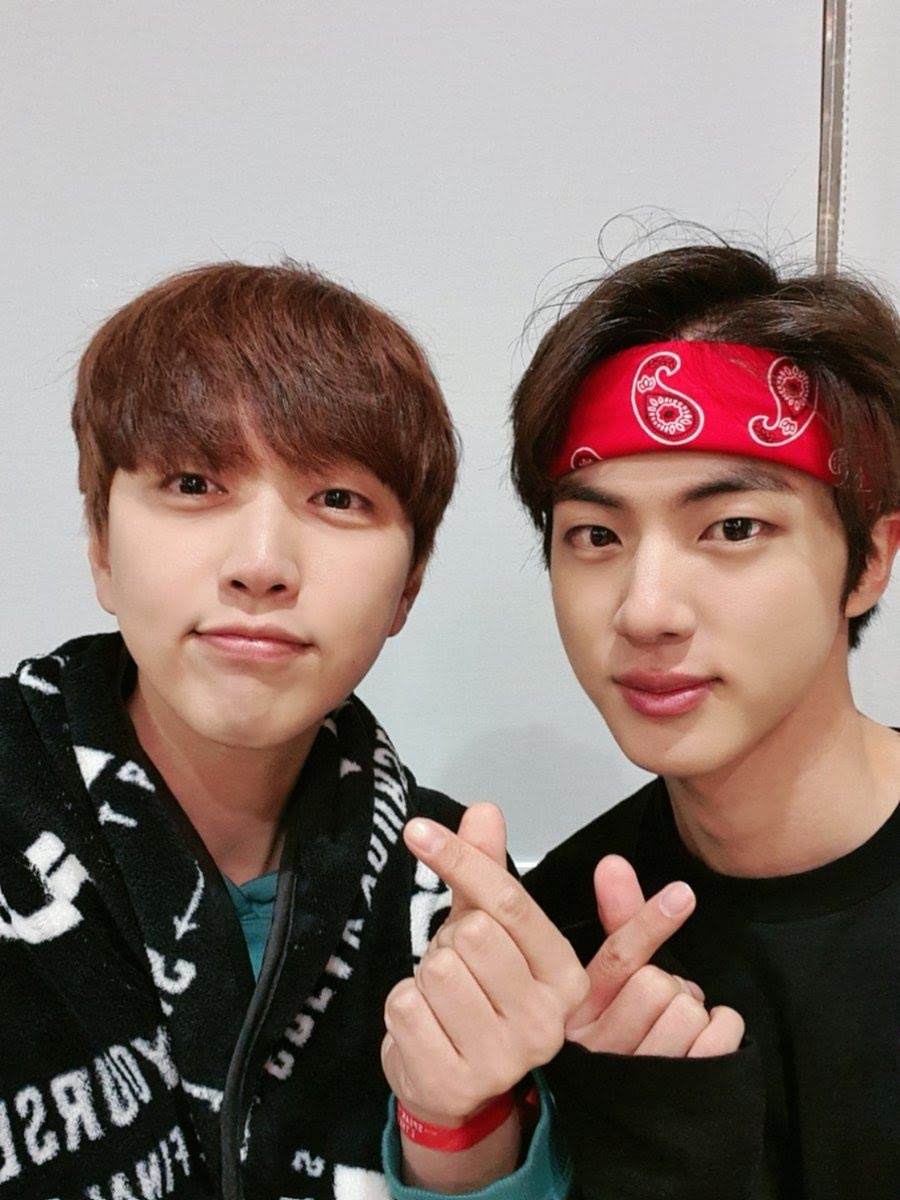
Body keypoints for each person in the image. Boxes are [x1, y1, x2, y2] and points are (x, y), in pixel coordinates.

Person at [0, 261, 575, 1200]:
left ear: (409, 585)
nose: (262, 565)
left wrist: (454, 1117)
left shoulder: (454, 899)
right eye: (194, 482)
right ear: (101, 545)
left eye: (338, 499)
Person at [506, 244, 900, 1199]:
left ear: (868, 562)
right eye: (595, 535)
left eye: (732, 528)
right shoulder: (563, 946)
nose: (646, 611)